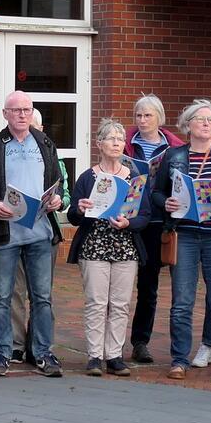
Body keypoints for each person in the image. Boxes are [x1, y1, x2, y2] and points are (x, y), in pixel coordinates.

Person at [151, 99, 211, 380]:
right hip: (184, 234)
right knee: (182, 301)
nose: (207, 124)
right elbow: (156, 193)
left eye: (210, 120)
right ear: (188, 126)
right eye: (200, 119)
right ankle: (179, 359)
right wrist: (166, 202)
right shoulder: (173, 156)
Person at [0, 91, 67, 376]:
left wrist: (57, 197)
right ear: (5, 114)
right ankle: (2, 354)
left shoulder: (45, 143)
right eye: (16, 110)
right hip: (5, 233)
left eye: (27, 109)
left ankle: (42, 353)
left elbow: (57, 181)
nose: (22, 114)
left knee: (42, 297)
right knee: (1, 295)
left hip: (40, 232)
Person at [68, 119, 148, 376]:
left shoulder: (134, 177)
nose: (116, 143)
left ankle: (115, 355)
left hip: (125, 246)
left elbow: (144, 215)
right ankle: (94, 356)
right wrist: (79, 208)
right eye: (110, 138)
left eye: (120, 139)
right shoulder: (87, 177)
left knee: (121, 303)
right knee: (96, 301)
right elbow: (73, 215)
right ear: (99, 144)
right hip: (94, 246)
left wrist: (129, 222)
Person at [126, 96, 184, 364]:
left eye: (148, 116)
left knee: (150, 286)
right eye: (138, 115)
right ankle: (123, 339)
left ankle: (141, 341)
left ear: (159, 118)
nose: (142, 120)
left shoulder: (174, 148)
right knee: (130, 283)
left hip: (160, 218)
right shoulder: (127, 143)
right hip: (131, 216)